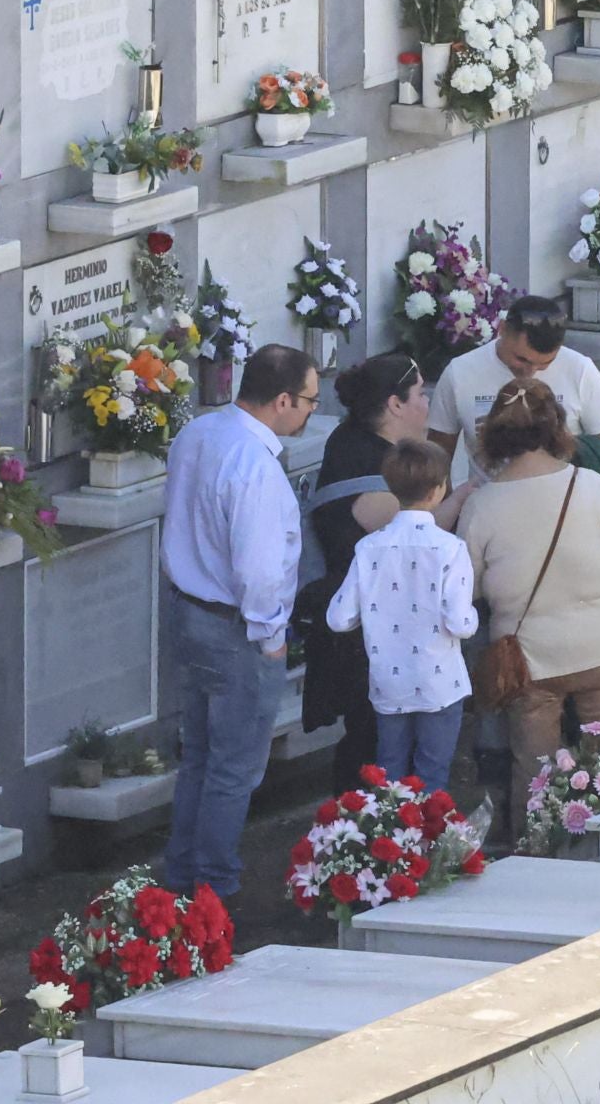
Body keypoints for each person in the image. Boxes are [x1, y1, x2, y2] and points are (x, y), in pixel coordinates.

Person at [161, 344, 320, 902]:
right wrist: (271, 637)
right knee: (234, 770)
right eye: (308, 401)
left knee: (200, 759)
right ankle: (215, 896)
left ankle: (181, 883)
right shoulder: (255, 465)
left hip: (189, 611)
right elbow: (257, 569)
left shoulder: (199, 434)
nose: (310, 413)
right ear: (281, 400)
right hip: (237, 627)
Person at [458, 379, 600, 828]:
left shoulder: (482, 505)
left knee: (535, 769)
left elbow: (469, 590)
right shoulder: (589, 485)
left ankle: (539, 852)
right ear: (556, 426)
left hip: (530, 658)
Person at [302, 355, 472, 794]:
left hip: (385, 637)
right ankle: (377, 839)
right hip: (372, 642)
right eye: (419, 393)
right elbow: (411, 526)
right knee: (376, 753)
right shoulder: (360, 457)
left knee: (389, 754)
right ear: (395, 405)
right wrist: (469, 493)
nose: (427, 402)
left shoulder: (362, 443)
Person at [326, 440, 479, 792]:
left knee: (390, 773)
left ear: (391, 487)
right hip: (440, 682)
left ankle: (395, 842)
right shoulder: (450, 549)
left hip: (388, 682)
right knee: (433, 772)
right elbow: (459, 622)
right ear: (440, 488)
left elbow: (339, 618)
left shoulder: (368, 549)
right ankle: (429, 842)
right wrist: (472, 619)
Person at [427, 296, 600, 480]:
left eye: (545, 363)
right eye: (521, 359)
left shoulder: (580, 369)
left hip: (564, 504)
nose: (530, 372)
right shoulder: (459, 373)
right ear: (502, 329)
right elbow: (435, 460)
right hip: (489, 507)